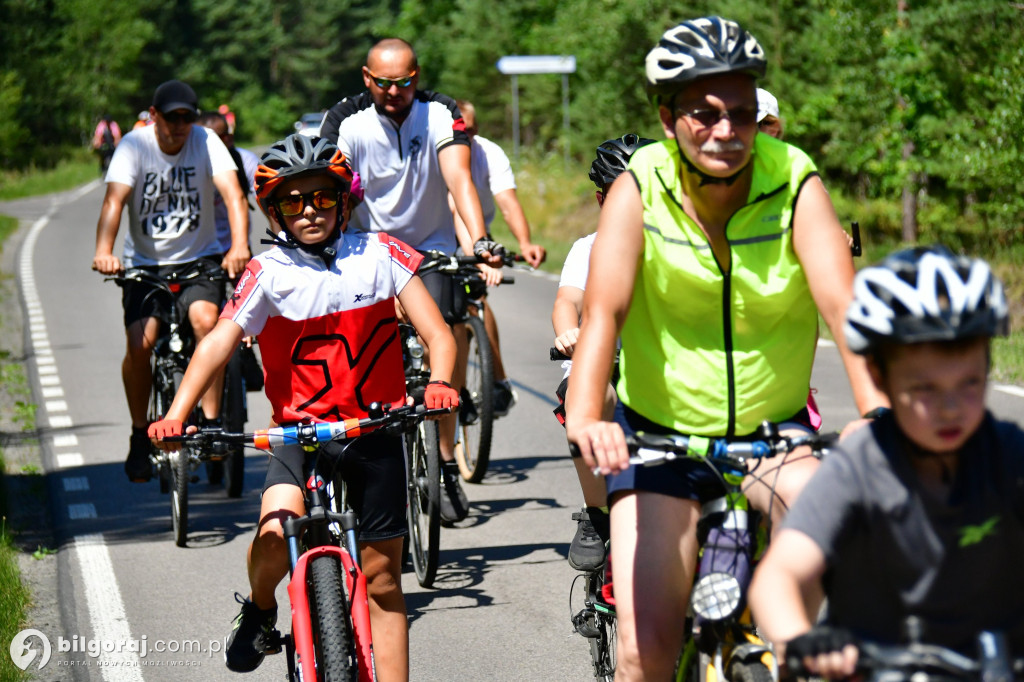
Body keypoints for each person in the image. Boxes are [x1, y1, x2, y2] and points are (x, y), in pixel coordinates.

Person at [564, 16, 888, 680]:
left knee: (843, 578)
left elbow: (845, 309)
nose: (725, 131)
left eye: (740, 113)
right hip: (661, 441)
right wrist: (587, 416)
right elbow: (604, 312)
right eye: (703, 113)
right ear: (667, 116)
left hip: (777, 437)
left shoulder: (794, 182)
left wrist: (878, 413)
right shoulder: (639, 188)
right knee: (643, 646)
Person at [148, 134, 459, 679]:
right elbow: (219, 341)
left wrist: (437, 382)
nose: (309, 210)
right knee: (273, 532)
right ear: (275, 212)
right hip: (300, 436)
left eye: (320, 197)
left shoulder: (383, 253)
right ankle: (262, 607)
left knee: (384, 580)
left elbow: (439, 334)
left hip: (375, 430)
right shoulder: (267, 273)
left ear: (343, 201)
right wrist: (179, 411)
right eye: (292, 202)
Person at [748, 246, 1024, 677]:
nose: (950, 408)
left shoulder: (1009, 455)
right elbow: (777, 576)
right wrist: (797, 638)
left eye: (969, 383)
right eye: (925, 389)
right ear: (879, 377)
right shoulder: (860, 467)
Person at [319, 38, 506, 524]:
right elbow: (330, 186)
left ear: (416, 77)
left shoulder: (440, 112)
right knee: (366, 356)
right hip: (367, 249)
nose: (394, 91)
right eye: (383, 83)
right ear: (366, 78)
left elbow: (459, 178)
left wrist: (480, 241)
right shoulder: (347, 121)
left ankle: (443, 458)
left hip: (431, 248)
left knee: (448, 329)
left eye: (404, 82)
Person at [92, 79, 250, 483]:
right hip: (145, 264)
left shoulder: (205, 141)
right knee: (139, 342)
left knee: (206, 322)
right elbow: (114, 201)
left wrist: (239, 246)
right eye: (172, 117)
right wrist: (104, 249)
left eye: (187, 117)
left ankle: (212, 425)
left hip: (200, 258)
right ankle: (139, 433)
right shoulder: (134, 145)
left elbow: (233, 194)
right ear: (155, 115)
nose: (180, 125)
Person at [553, 133, 655, 572]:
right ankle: (596, 514)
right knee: (593, 398)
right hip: (604, 364)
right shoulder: (587, 248)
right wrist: (568, 331)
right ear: (601, 199)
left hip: (661, 367)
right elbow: (567, 301)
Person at [450, 98, 547, 416]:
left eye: (472, 131)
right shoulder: (439, 152)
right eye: (460, 133)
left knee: (475, 297)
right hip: (432, 235)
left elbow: (507, 202)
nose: (468, 139)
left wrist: (525, 241)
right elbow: (452, 206)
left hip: (476, 234)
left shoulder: (489, 153)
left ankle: (497, 380)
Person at [197, 110, 260, 254]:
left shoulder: (245, 161)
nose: (228, 139)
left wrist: (277, 244)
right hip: (199, 252)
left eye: (227, 135)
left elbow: (268, 202)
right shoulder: (188, 163)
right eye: (221, 137)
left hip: (236, 246)